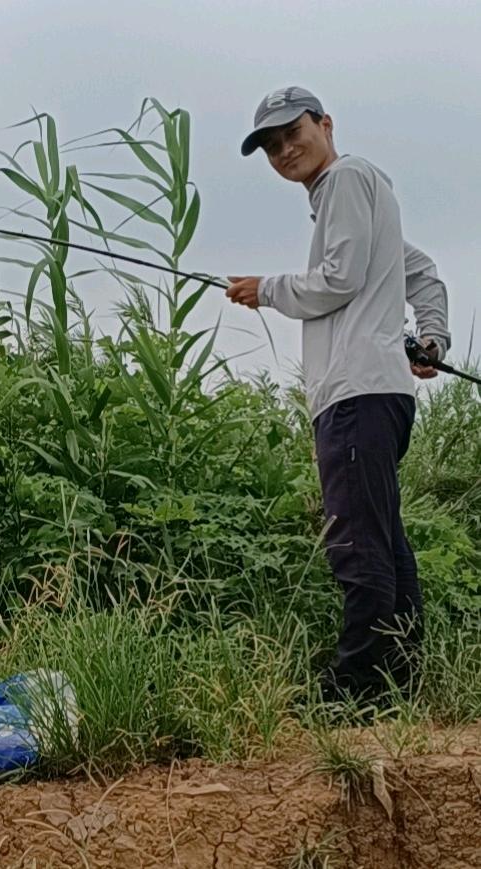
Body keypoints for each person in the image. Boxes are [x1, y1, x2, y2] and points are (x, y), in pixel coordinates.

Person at [227, 86, 451, 705]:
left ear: (326, 124)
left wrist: (265, 289)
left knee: (356, 543)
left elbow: (338, 280)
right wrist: (429, 340)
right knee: (382, 538)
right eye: (271, 146)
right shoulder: (356, 199)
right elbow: (422, 271)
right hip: (378, 393)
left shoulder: (347, 179)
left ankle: (351, 690)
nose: (284, 150)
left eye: (292, 133)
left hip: (356, 395)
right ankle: (397, 683)